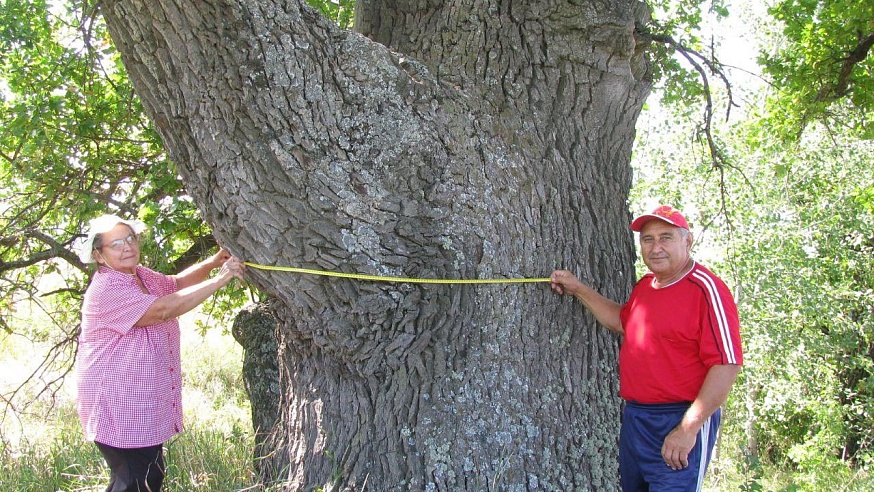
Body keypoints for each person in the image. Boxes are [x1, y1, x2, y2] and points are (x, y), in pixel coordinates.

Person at [550, 205, 743, 491]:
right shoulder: (646, 287)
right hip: (637, 419)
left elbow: (727, 365)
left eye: (666, 237)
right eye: (648, 239)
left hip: (680, 418)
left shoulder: (706, 289)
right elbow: (622, 321)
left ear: (687, 241)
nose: (656, 247)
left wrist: (688, 430)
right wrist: (578, 289)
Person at [75, 214, 246, 492]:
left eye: (130, 239)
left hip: (137, 399)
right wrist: (220, 279)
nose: (127, 247)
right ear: (98, 254)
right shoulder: (107, 287)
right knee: (135, 480)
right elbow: (162, 309)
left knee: (144, 476)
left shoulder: (137, 274)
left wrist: (212, 264)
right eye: (116, 244)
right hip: (117, 401)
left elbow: (175, 285)